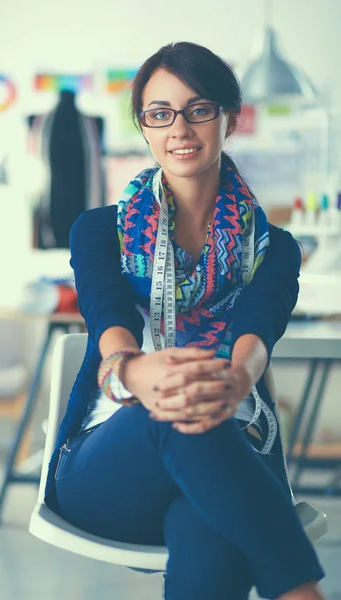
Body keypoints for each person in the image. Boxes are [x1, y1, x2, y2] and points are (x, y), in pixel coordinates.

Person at [45, 42, 326, 600]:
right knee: (172, 407)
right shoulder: (100, 230)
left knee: (212, 528)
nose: (181, 128)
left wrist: (235, 380)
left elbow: (258, 324)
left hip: (233, 448)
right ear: (145, 129)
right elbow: (107, 312)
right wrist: (131, 372)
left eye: (199, 109)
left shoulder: (275, 248)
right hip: (110, 462)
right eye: (160, 114)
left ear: (229, 118)